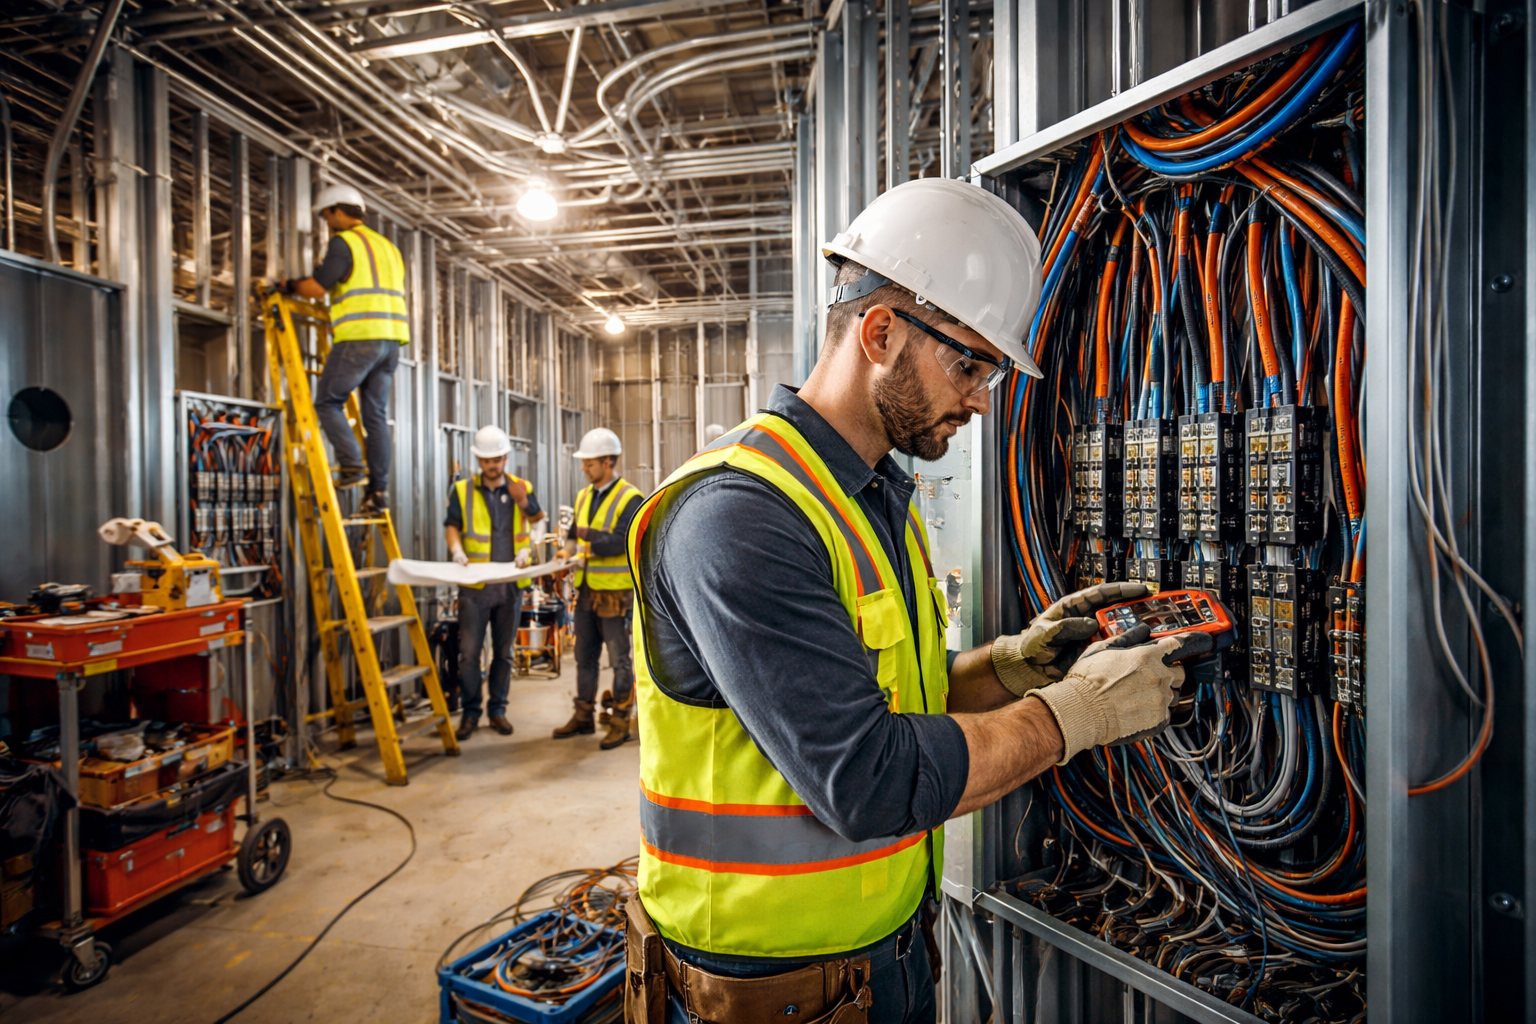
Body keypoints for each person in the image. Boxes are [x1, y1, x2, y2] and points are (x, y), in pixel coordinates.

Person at [623, 178, 1206, 1024]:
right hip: (768, 991)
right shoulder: (741, 516)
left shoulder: (868, 498)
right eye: (968, 364)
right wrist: (1076, 713)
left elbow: (891, 698)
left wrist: (1015, 666)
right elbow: (868, 779)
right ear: (880, 332)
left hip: (882, 955)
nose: (980, 398)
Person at [279, 183, 408, 516]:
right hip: (391, 341)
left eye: (326, 216)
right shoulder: (388, 247)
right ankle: (377, 492)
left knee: (327, 401)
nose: (327, 223)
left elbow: (316, 288)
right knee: (375, 416)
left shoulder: (345, 242)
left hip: (360, 337)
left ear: (337, 212)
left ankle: (352, 465)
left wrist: (286, 286)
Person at [444, 425, 545, 740]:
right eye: (487, 460)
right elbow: (452, 526)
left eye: (497, 459)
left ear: (505, 458)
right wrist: (457, 550)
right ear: (479, 460)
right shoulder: (463, 490)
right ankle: (471, 712)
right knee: (469, 655)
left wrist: (529, 549)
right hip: (474, 590)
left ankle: (497, 711)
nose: (493, 465)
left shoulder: (521, 488)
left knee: (504, 654)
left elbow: (538, 521)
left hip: (509, 588)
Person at [553, 427, 644, 749]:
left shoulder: (630, 498)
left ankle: (620, 722)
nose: (583, 468)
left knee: (619, 660)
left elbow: (620, 541)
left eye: (588, 463)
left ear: (607, 462)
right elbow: (573, 536)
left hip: (616, 595)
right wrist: (564, 553)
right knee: (584, 656)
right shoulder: (583, 497)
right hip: (587, 591)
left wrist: (583, 547)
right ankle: (583, 717)